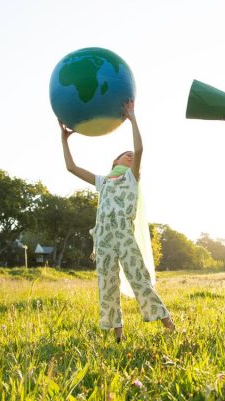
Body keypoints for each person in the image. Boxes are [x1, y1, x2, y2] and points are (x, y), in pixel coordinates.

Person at [60, 100, 175, 343]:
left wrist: (132, 118)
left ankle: (169, 325)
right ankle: (118, 336)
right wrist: (64, 139)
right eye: (126, 155)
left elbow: (140, 149)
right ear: (114, 162)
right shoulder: (104, 181)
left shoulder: (132, 179)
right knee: (107, 285)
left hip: (123, 234)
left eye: (132, 156)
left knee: (138, 278)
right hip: (102, 238)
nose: (131, 156)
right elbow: (71, 167)